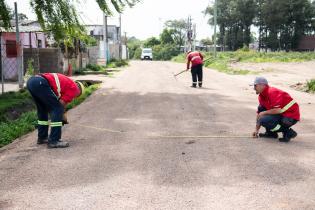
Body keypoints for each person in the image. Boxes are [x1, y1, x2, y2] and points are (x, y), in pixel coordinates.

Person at [27, 73, 84, 148]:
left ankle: (42, 137)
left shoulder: (67, 83)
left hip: (32, 81)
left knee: (43, 110)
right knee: (57, 109)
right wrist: (60, 117)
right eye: (77, 96)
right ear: (79, 91)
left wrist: (60, 114)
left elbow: (58, 101)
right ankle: (54, 140)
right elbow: (60, 104)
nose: (74, 97)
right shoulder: (74, 88)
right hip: (41, 83)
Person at [252, 77, 300, 142]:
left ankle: (288, 132)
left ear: (263, 85)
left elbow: (277, 110)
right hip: (281, 113)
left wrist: (263, 113)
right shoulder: (261, 96)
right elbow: (259, 113)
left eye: (255, 85)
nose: (254, 88)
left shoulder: (272, 92)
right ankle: (271, 133)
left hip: (291, 115)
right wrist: (256, 130)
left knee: (264, 119)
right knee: (262, 112)